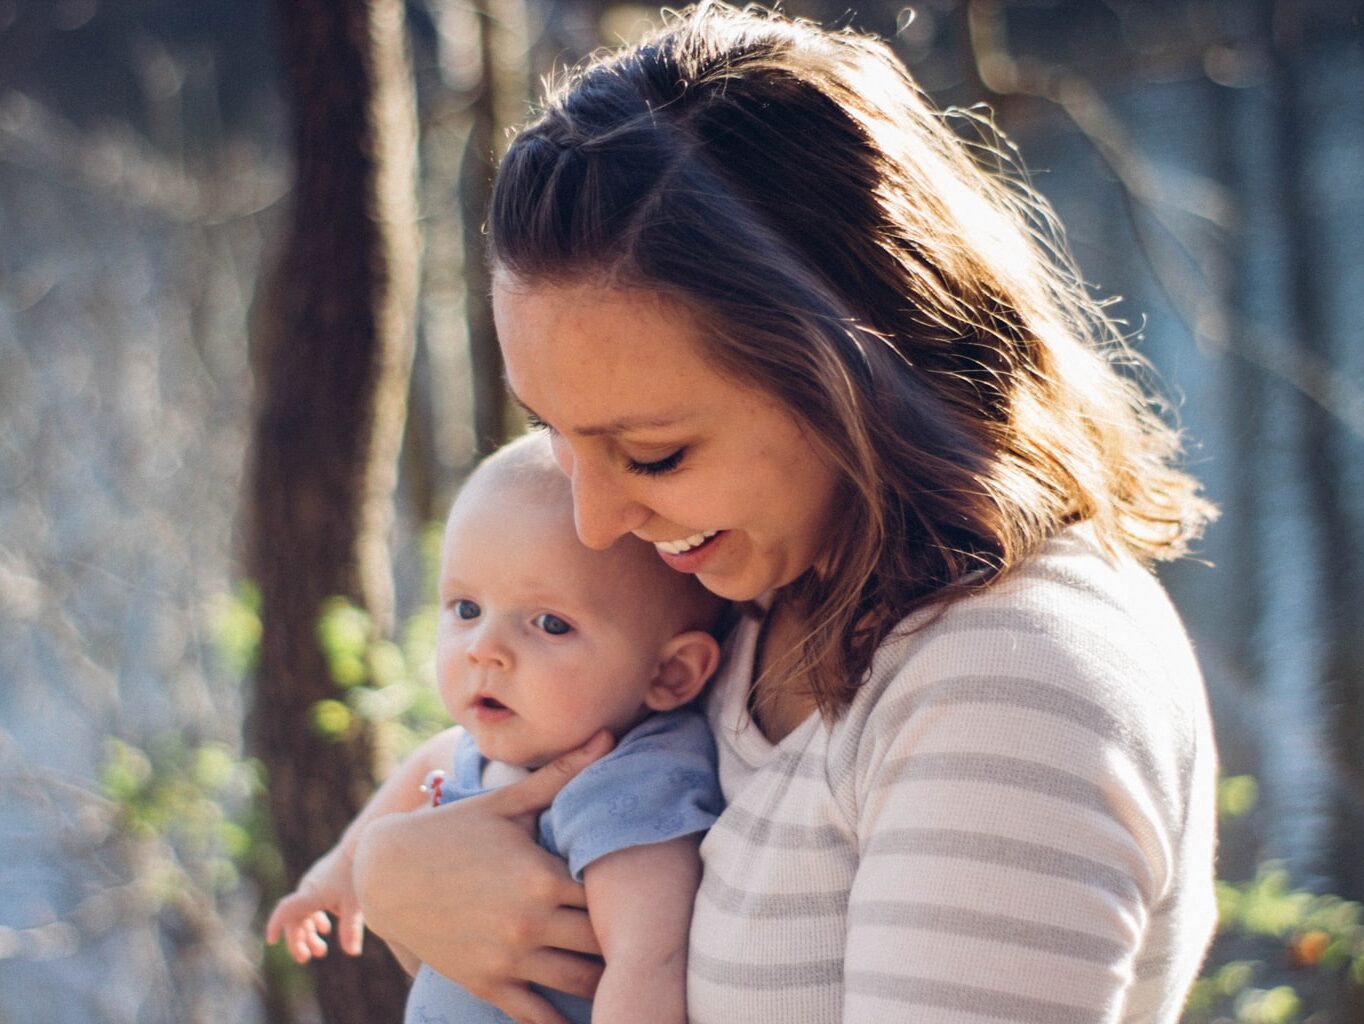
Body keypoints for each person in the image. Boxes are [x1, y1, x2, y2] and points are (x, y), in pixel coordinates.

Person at [351, 4, 1221, 1023]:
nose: (593, 522)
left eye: (651, 453)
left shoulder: (1009, 682)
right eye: (555, 435)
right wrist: (391, 869)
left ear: (858, 372)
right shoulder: (762, 586)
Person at [266, 433, 727, 1024]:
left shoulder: (629, 784)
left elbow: (648, 962)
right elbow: (427, 765)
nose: (486, 649)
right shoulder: (485, 750)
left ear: (670, 672)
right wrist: (334, 874)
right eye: (465, 609)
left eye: (549, 623)